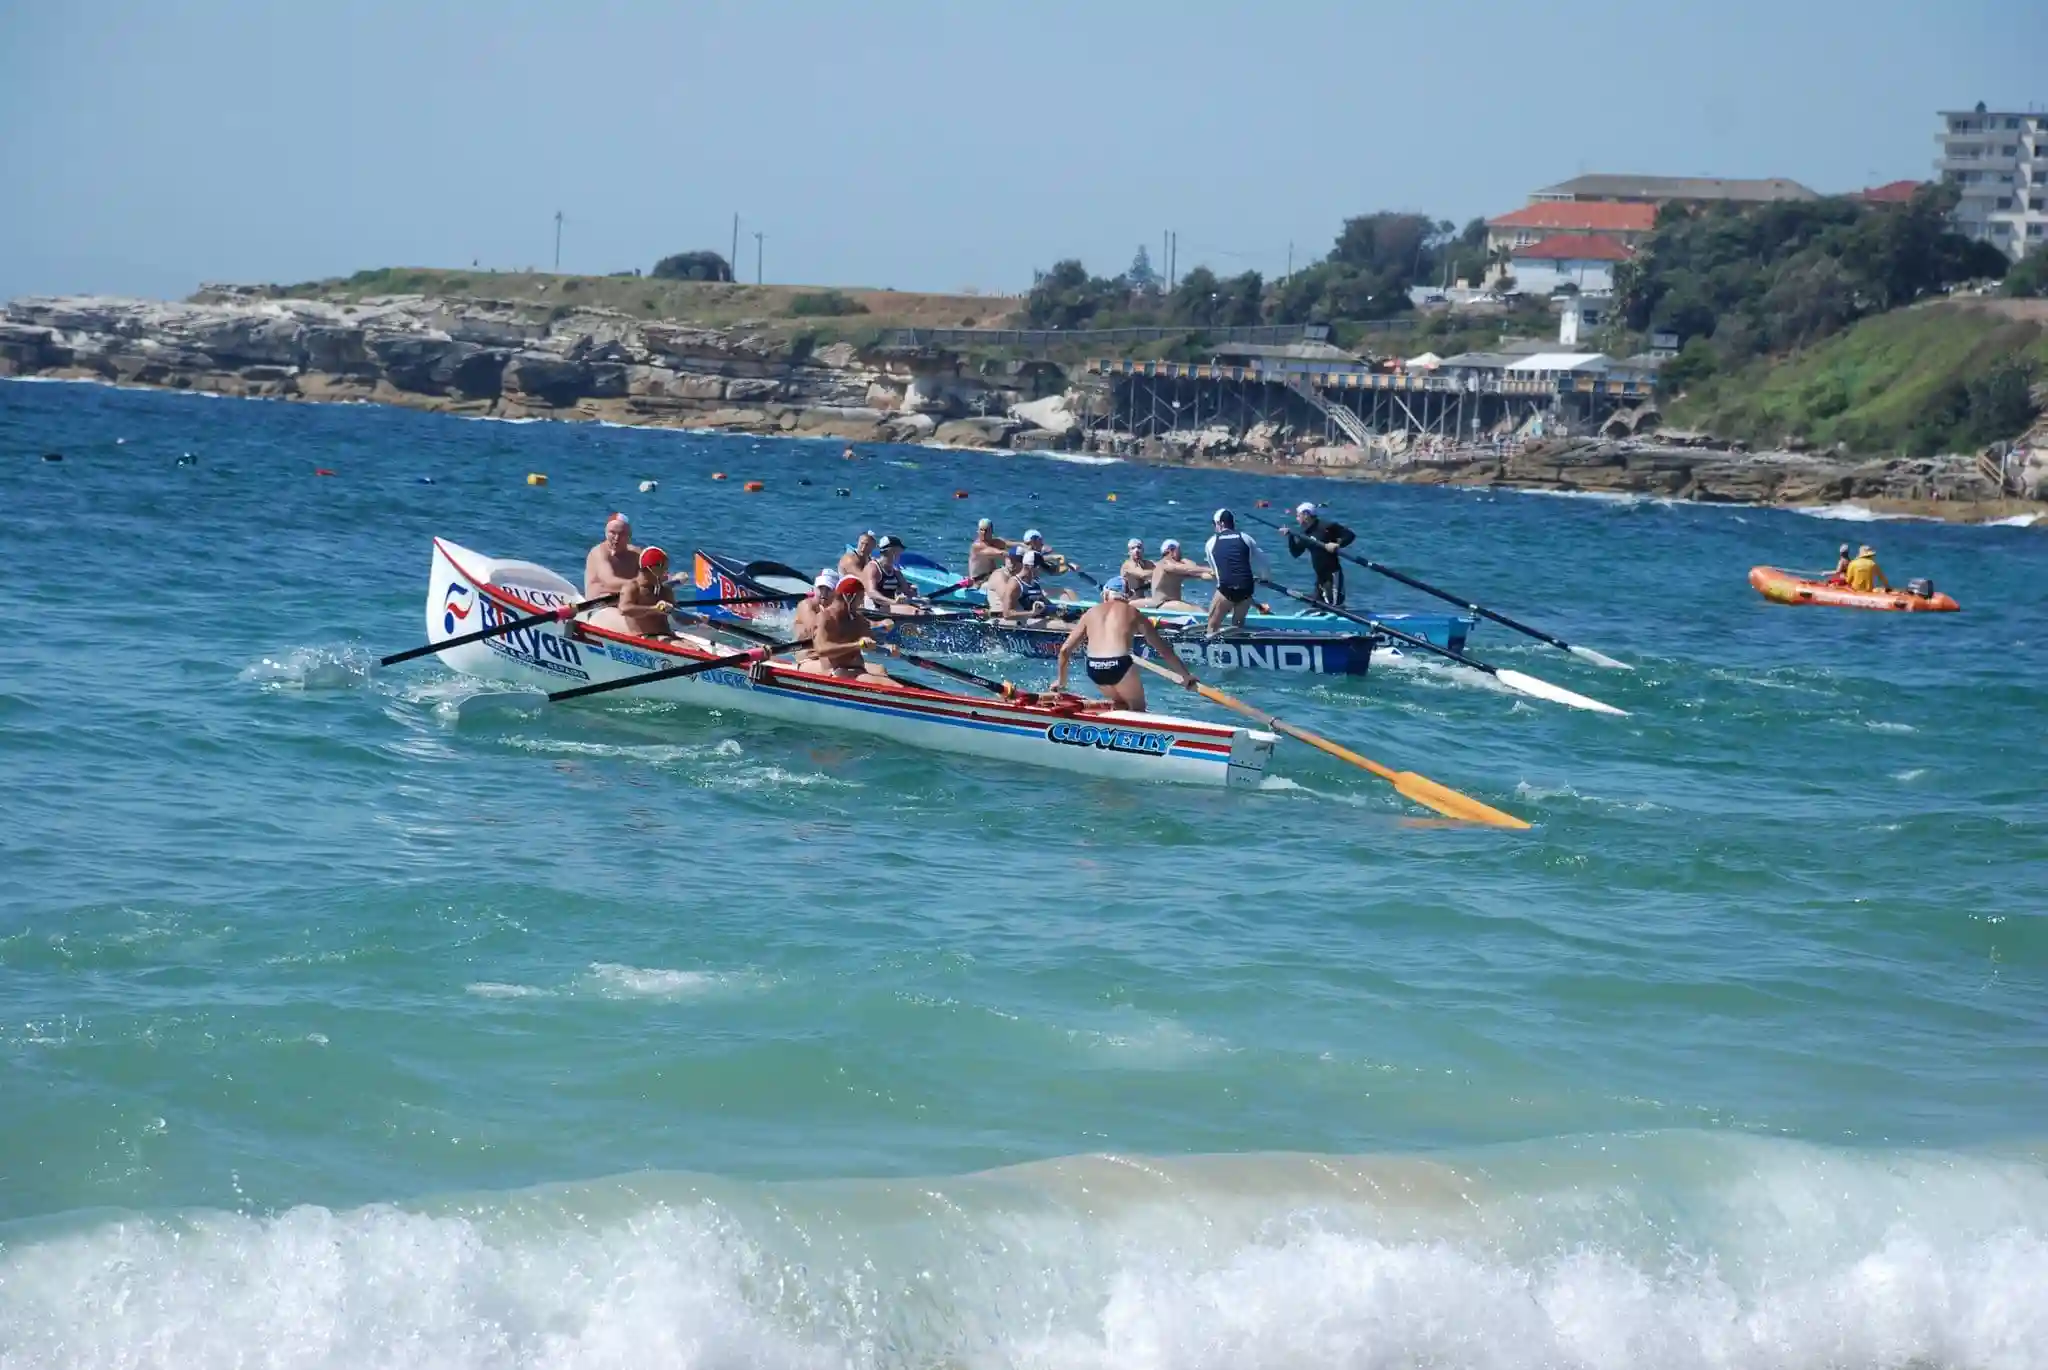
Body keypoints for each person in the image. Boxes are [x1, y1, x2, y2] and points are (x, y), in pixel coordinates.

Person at [1054, 577, 1196, 712]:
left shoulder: (1090, 613)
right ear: (1127, 597)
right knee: (1138, 709)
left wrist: (1061, 682)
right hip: (1119, 665)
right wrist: (1186, 675)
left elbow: (1065, 650)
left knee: (1121, 704)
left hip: (1094, 668)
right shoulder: (1134, 613)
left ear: (1106, 594)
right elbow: (1164, 650)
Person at [798, 574, 891, 681]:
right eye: (860, 598)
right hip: (837, 672)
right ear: (848, 597)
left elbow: (871, 640)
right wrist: (856, 645)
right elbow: (822, 650)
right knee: (886, 683)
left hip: (855, 669)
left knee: (880, 669)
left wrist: (887, 648)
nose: (861, 603)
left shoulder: (858, 618)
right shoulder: (825, 618)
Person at [1204, 508, 1267, 635]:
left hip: (1226, 590)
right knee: (1238, 624)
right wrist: (1265, 578)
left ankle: (1210, 645)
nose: (1214, 527)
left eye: (1215, 524)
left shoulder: (1211, 542)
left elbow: (1217, 572)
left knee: (1212, 624)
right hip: (1246, 589)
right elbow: (1263, 560)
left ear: (1221, 524)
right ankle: (1238, 641)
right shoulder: (1246, 538)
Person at [1285, 501, 1357, 606]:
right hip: (1320, 578)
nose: (1296, 518)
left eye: (1298, 515)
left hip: (1333, 576)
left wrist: (1337, 544)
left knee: (1335, 606)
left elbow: (1350, 535)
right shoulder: (1305, 534)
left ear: (1306, 515)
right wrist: (1290, 537)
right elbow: (1295, 553)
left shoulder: (1327, 526)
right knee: (1317, 604)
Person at [617, 546, 679, 637]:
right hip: (644, 638)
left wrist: (697, 618)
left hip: (666, 636)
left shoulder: (664, 590)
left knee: (694, 647)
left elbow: (678, 616)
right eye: (664, 569)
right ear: (653, 568)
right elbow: (624, 609)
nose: (666, 573)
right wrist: (654, 609)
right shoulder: (632, 587)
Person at [1143, 538, 1213, 611]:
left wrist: (1217, 575)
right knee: (1199, 611)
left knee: (1203, 609)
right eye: (1179, 550)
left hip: (1172, 604)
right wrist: (1211, 569)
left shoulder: (1175, 571)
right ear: (1171, 550)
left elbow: (1200, 575)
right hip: (1162, 604)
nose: (1181, 554)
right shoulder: (1164, 563)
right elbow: (1187, 569)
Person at [583, 512, 642, 598]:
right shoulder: (599, 553)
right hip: (599, 604)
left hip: (627, 602)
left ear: (629, 536)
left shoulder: (636, 553)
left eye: (622, 534)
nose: (616, 538)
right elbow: (609, 582)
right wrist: (642, 583)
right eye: (612, 533)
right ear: (606, 532)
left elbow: (655, 571)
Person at [862, 534, 925, 614]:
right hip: (872, 610)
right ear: (891, 551)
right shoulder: (873, 568)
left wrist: (917, 595)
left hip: (888, 608)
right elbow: (872, 593)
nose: (900, 554)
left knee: (924, 609)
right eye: (899, 551)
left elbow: (907, 591)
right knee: (915, 612)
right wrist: (894, 602)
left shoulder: (895, 571)